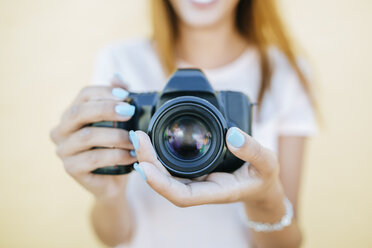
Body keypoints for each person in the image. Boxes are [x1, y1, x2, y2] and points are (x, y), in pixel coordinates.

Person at [50, 0, 317, 247]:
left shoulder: (284, 72)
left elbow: (286, 244)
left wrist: (264, 197)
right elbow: (115, 238)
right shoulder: (120, 62)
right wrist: (108, 193)